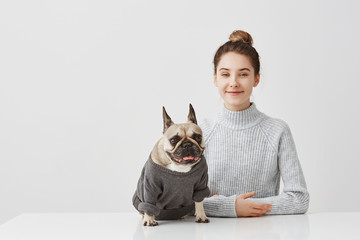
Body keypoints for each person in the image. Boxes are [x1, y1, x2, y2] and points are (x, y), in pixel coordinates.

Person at [200, 30, 309, 217]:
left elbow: (299, 199)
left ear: (256, 79)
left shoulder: (278, 131)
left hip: (264, 232)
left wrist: (244, 206)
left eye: (243, 74)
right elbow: (182, 202)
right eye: (225, 74)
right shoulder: (201, 131)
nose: (233, 82)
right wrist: (231, 207)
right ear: (215, 79)